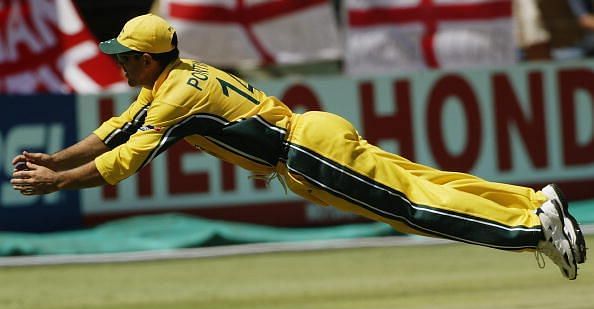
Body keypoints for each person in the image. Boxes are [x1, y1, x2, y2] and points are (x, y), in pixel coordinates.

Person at [11, 14, 587, 280]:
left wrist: (55, 184)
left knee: (414, 208)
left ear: (147, 58)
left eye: (123, 56)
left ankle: (535, 228)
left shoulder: (172, 99)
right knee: (422, 183)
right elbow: (115, 128)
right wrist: (55, 159)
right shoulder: (176, 76)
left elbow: (121, 163)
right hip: (315, 133)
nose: (117, 63)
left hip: (305, 154)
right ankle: (532, 203)